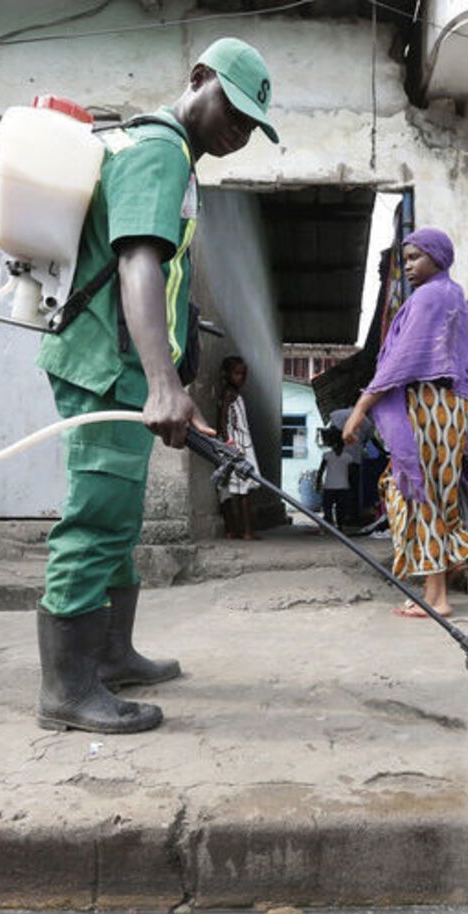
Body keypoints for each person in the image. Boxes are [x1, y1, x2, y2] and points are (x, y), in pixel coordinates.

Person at [33, 38, 278, 734]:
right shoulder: (161, 149)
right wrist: (164, 387)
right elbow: (138, 262)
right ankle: (66, 689)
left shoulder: (171, 156)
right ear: (198, 78)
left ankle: (111, 654)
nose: (239, 131)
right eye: (233, 109)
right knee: (97, 517)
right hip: (108, 366)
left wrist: (170, 381)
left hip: (123, 366)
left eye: (251, 125)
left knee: (120, 517)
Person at [342, 228, 468, 618]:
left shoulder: (430, 297)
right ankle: (442, 574)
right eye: (405, 259)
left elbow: (403, 359)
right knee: (429, 491)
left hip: (430, 405)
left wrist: (360, 407)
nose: (407, 266)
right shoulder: (454, 297)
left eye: (415, 257)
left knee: (419, 493)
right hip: (452, 408)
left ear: (438, 256)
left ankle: (437, 598)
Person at [217, 355, 260, 540]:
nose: (240, 378)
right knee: (243, 488)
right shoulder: (229, 394)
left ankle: (232, 530)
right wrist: (228, 442)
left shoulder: (234, 393)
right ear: (226, 374)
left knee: (229, 488)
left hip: (235, 443)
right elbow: (223, 418)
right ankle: (246, 531)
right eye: (236, 373)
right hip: (236, 445)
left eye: (243, 374)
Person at [315, 425, 354, 529]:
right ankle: (337, 525)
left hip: (331, 486)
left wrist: (318, 483)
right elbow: (351, 474)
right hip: (341, 486)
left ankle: (332, 524)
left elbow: (320, 471)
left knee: (329, 507)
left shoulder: (328, 456)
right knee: (339, 508)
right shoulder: (347, 457)